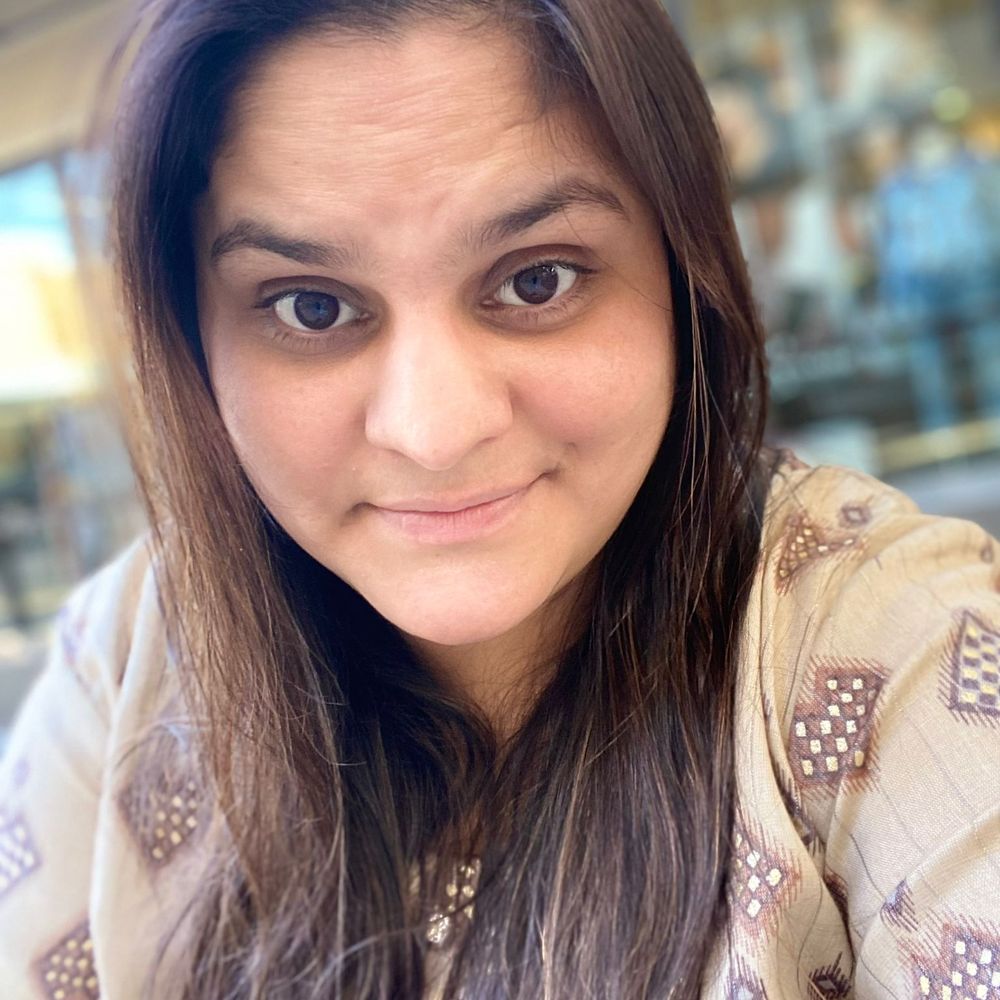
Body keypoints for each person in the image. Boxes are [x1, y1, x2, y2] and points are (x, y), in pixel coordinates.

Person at [1, 1, 998, 997]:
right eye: (312, 306)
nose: (433, 432)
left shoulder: (898, 638)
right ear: (192, 341)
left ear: (681, 273)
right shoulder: (125, 660)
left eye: (537, 281)